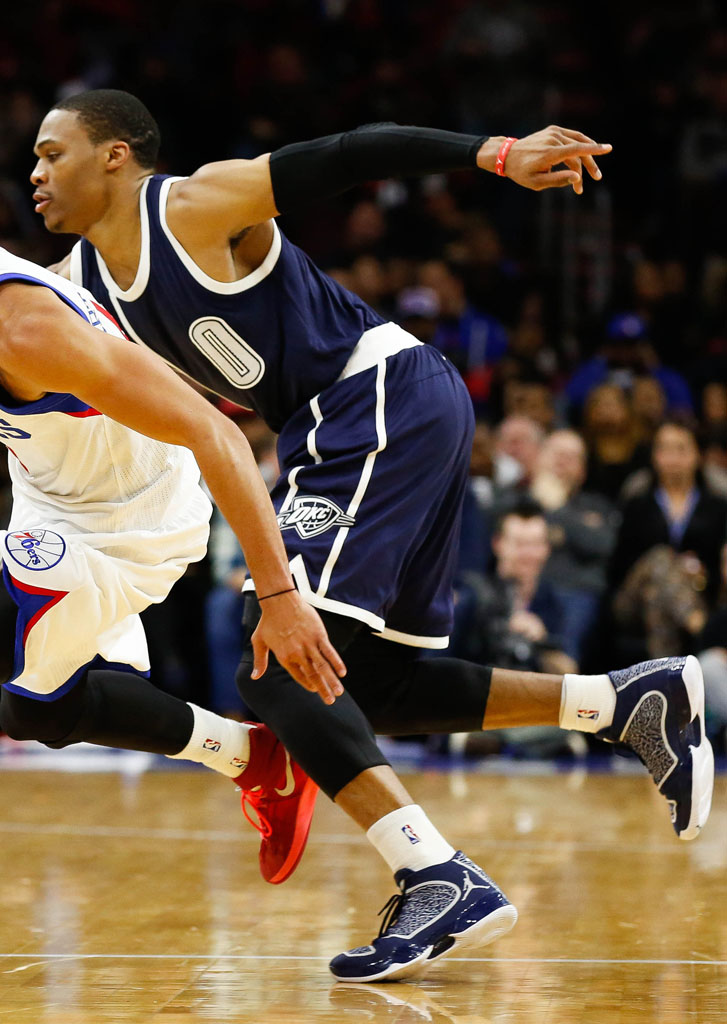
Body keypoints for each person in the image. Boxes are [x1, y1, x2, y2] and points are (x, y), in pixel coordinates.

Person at [32, 90, 712, 983]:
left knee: (278, 660)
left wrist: (496, 153)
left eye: (53, 154)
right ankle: (622, 703)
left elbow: (353, 150)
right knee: (359, 680)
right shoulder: (82, 291)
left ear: (115, 155)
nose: (36, 175)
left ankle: (435, 874)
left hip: (371, 397)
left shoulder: (193, 205)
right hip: (359, 423)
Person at [0, 246, 346, 885]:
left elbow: (218, 435)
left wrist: (277, 595)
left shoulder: (24, 328)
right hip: (51, 504)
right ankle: (255, 758)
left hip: (137, 522)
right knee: (34, 711)